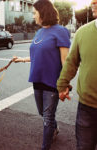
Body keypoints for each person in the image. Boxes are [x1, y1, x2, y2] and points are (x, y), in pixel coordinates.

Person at [13, 0, 70, 149]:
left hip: (52, 82)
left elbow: (66, 61)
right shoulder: (39, 32)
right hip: (37, 80)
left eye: (34, 13)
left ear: (43, 13)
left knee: (47, 118)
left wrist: (65, 84)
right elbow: (38, 54)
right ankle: (54, 128)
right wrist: (21, 59)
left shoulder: (61, 31)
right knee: (43, 113)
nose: (33, 16)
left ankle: (46, 145)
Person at [57, 0, 97, 149]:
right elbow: (71, 62)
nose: (93, 2)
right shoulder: (82, 32)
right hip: (86, 107)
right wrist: (62, 85)